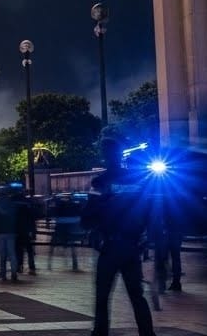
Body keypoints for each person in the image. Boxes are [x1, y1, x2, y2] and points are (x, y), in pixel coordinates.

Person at [81, 138, 156, 336]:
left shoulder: (100, 182)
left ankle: (100, 333)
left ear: (105, 155)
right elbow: (148, 209)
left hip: (110, 245)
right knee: (136, 296)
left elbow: (89, 214)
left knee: (103, 296)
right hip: (132, 245)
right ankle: (148, 333)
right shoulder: (137, 180)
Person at [0, 190, 19, 281]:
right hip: (11, 231)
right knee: (12, 254)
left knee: (2, 255)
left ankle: (3, 275)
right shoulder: (12, 205)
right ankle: (14, 273)